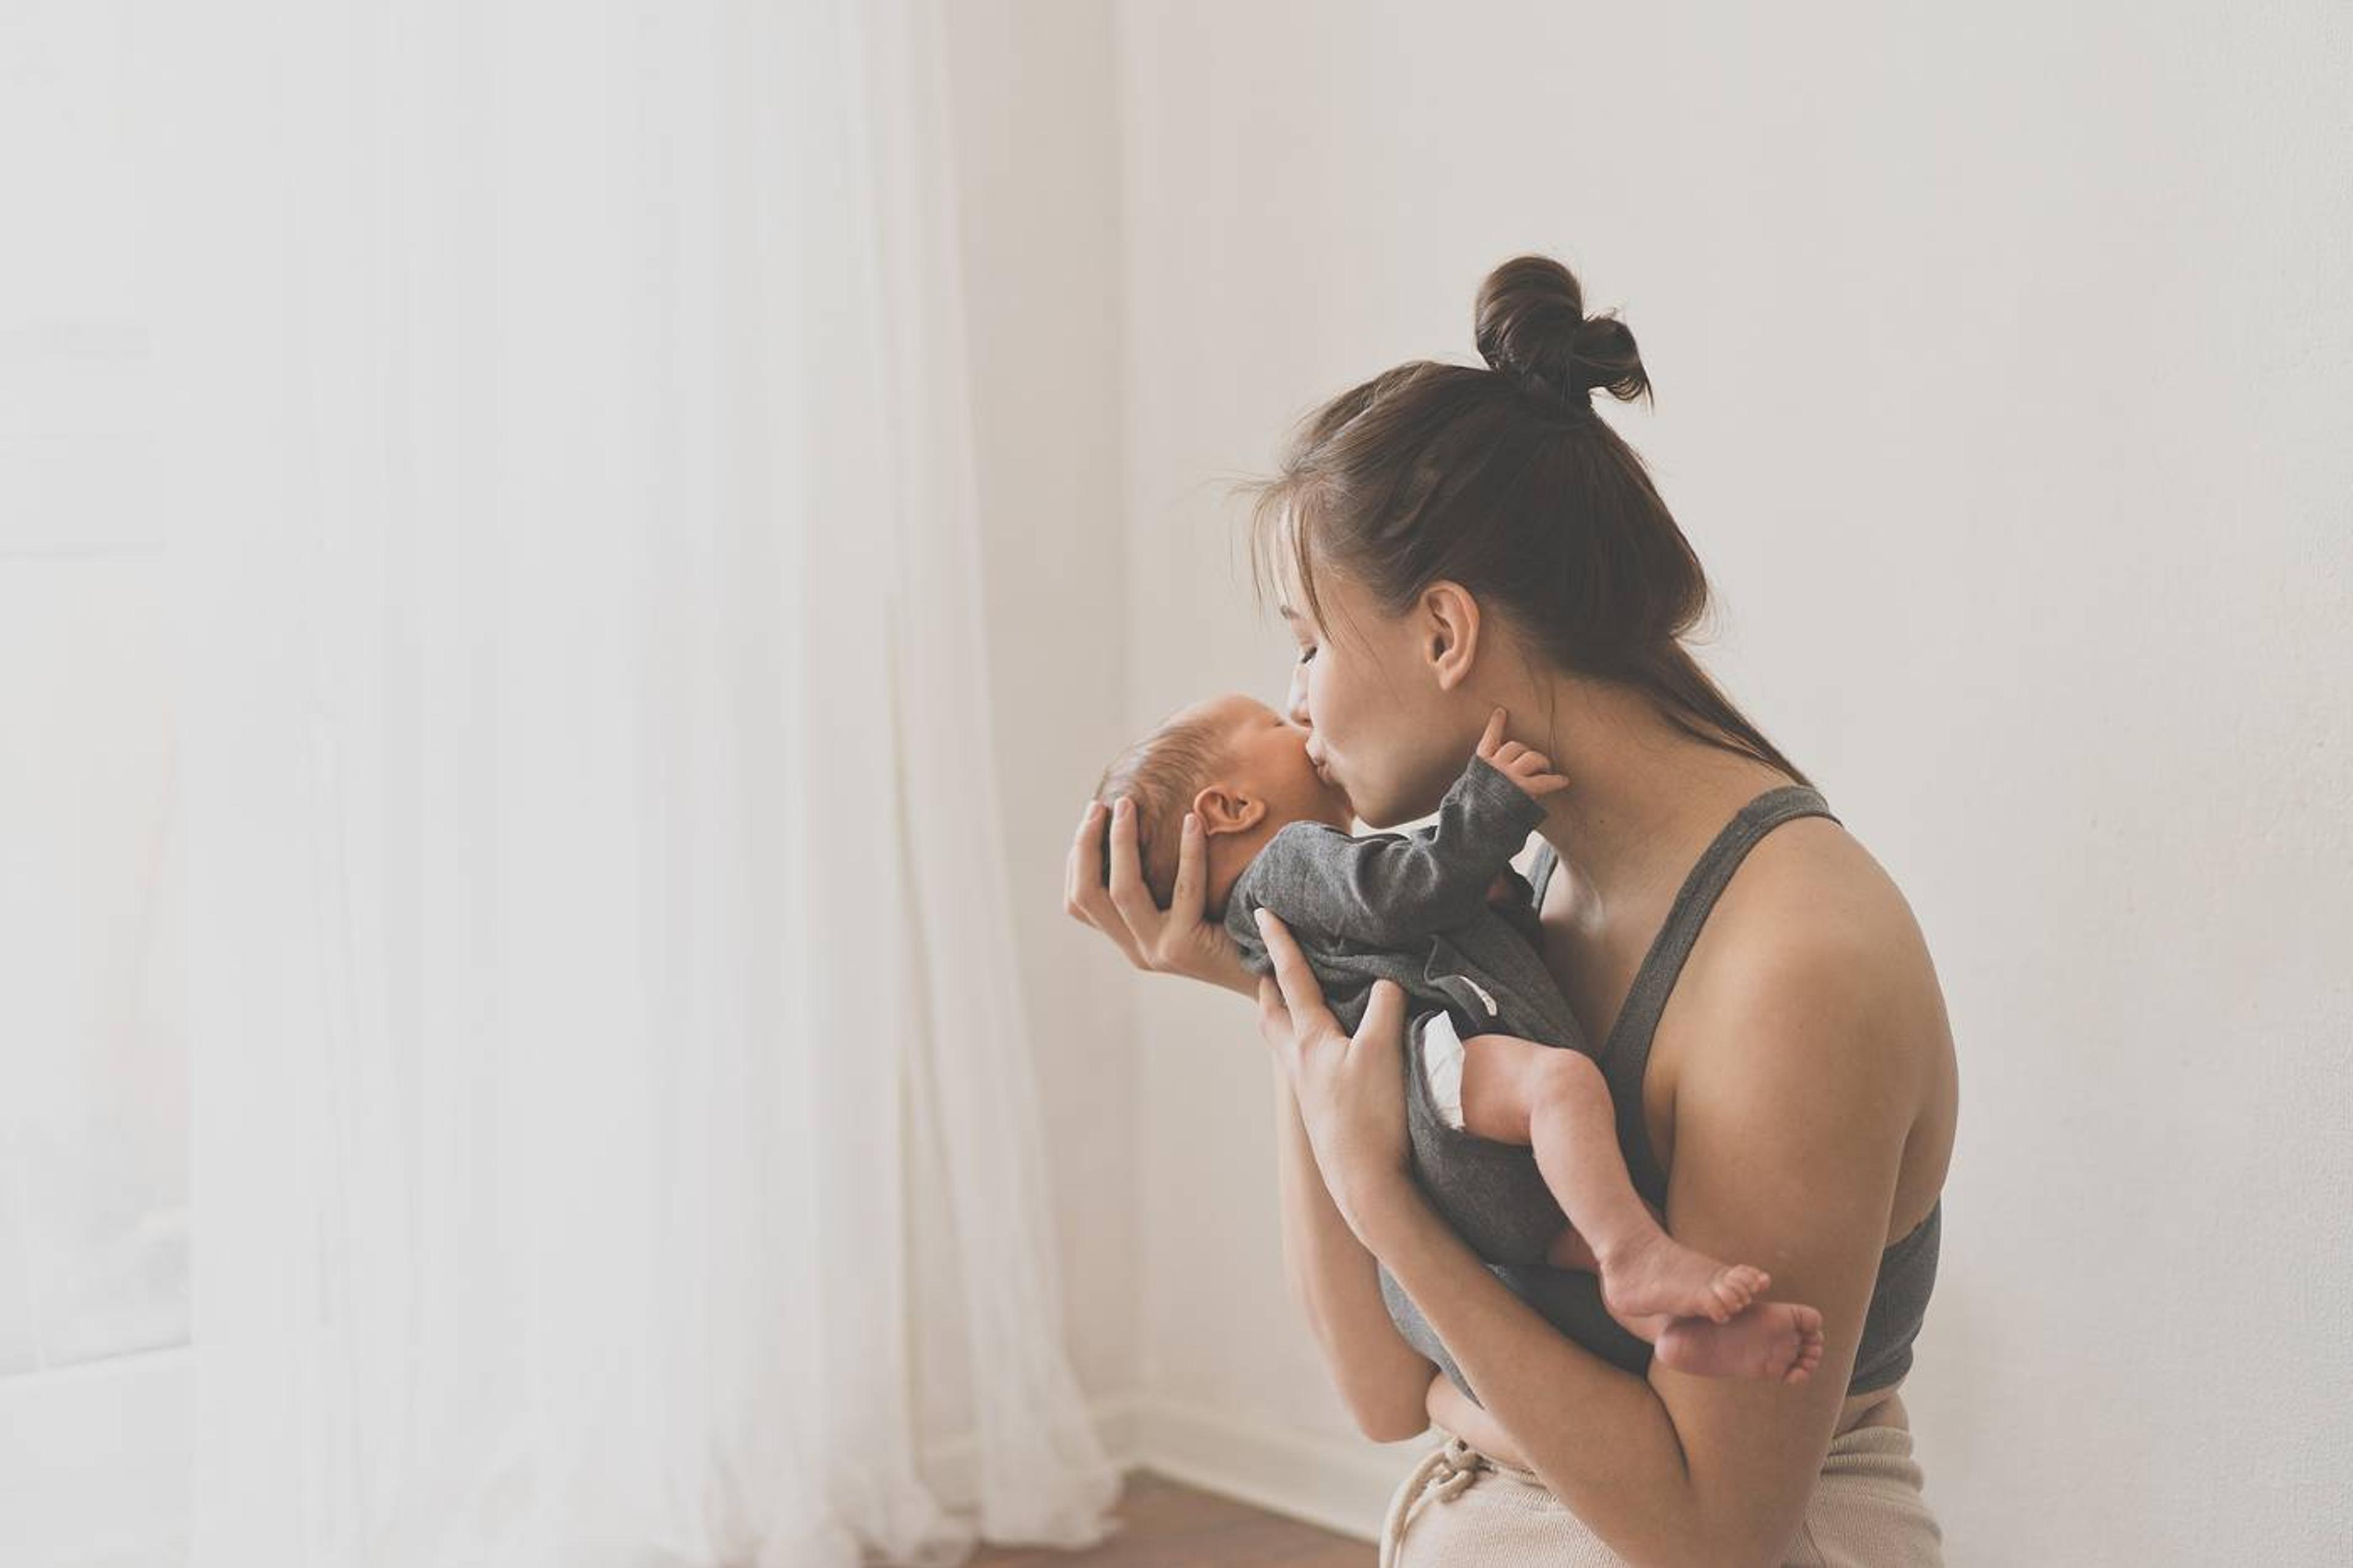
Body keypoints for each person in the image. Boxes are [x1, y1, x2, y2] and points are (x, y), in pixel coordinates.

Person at [1065, 252, 1953, 1564]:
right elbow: (1380, 1390)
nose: (1296, 699)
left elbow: (1708, 1528)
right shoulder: (1513, 882)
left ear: (1443, 633)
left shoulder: (1792, 966)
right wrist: (1275, 973)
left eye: (1308, 638)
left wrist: (1384, 1203)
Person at [1088, 691, 1825, 1383]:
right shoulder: (1286, 864)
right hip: (1431, 1082)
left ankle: (1677, 1329)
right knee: (1561, 1090)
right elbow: (1395, 894)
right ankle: (1636, 1259)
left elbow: (1420, 928)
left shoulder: (1273, 929)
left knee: (1582, 1229)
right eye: (1276, 728)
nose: (1301, 716)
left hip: (1455, 1168)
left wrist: (1486, 894)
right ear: (1231, 806)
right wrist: (1486, 802)